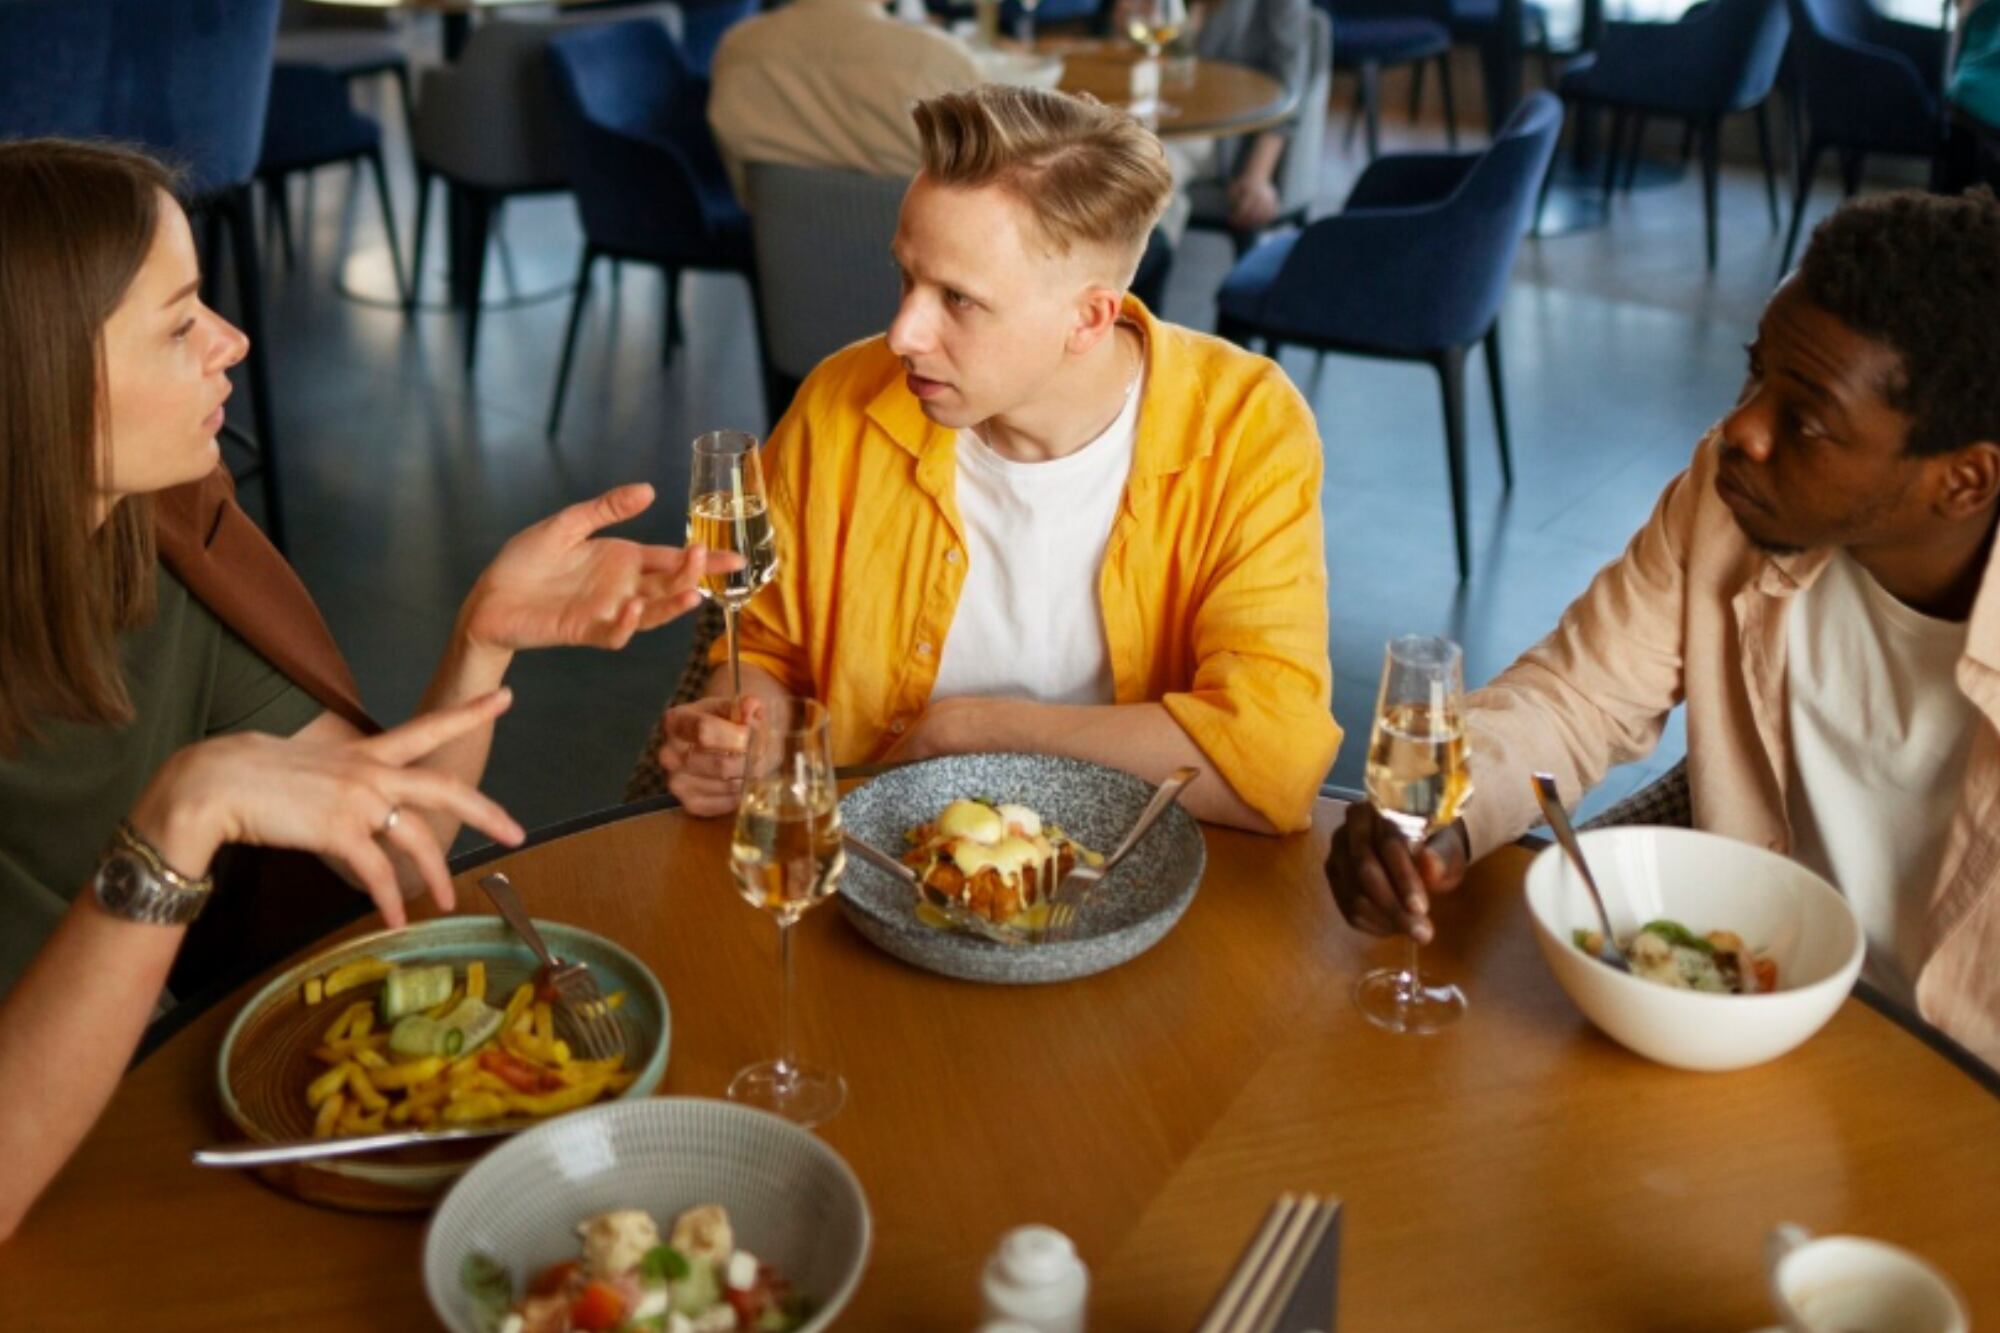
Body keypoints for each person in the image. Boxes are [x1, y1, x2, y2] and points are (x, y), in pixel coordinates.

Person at [0, 138, 733, 1240]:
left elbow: (390, 850)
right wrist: (180, 813)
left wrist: (482, 640)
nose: (232, 342)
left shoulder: (153, 550)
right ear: (41, 377)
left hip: (129, 1100)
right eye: (178, 322)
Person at [1324, 189, 2000, 1069]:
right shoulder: (1731, 502)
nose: (1742, 430)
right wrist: (1445, 818)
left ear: (1963, 481)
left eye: (1804, 421)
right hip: (1747, 1009)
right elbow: (1574, 700)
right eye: (1756, 374)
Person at [649, 84, 1341, 834]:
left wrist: (967, 732)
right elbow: (768, 649)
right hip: (870, 873)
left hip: (1125, 886)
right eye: (907, 277)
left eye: (958, 299)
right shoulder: (837, 404)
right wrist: (743, 733)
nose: (902, 332)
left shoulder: (1246, 426)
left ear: (1089, 317)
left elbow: (1273, 764)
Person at [706, 0, 987, 196]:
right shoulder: (941, 62)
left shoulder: (737, 49)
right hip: (924, 264)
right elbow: (981, 191)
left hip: (785, 261)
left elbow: (744, 191)